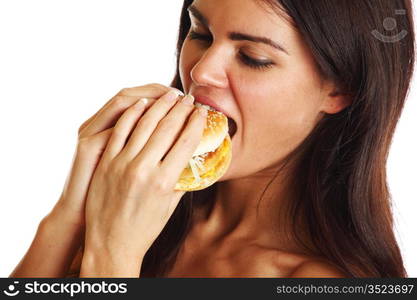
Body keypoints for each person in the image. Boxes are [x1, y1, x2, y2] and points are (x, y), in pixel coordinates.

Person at [10, 0, 415, 278]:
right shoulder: (133, 210)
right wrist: (70, 217)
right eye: (200, 33)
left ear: (339, 88)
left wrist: (113, 256)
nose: (201, 72)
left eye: (253, 57)